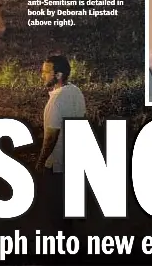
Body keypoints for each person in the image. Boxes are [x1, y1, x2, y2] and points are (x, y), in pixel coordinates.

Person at [35, 55, 86, 227]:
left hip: (57, 166)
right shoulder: (76, 91)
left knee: (54, 215)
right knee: (67, 216)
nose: (42, 75)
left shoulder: (56, 101)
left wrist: (41, 162)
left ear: (58, 75)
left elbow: (51, 136)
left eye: (46, 72)